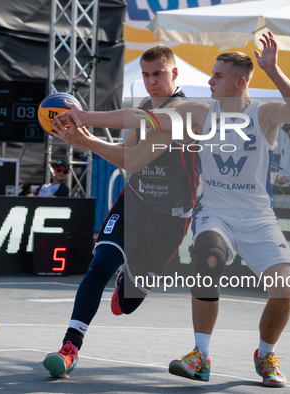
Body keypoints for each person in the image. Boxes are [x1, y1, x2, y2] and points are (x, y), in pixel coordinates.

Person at [58, 32, 290, 387]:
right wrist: (86, 118)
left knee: (284, 287)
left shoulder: (263, 114)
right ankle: (200, 355)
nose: (209, 81)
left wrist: (272, 69)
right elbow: (139, 120)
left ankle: (265, 355)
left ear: (240, 82)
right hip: (213, 214)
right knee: (206, 257)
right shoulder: (196, 111)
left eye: (218, 76)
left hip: (252, 217)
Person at [42, 45, 198, 378]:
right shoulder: (145, 105)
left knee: (125, 304)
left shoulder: (182, 111)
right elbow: (125, 155)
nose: (151, 81)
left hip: (170, 219)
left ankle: (129, 278)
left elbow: (135, 159)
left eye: (158, 74)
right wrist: (86, 139)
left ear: (174, 74)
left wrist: (86, 132)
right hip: (136, 202)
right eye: (145, 75)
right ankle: (70, 347)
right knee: (99, 265)